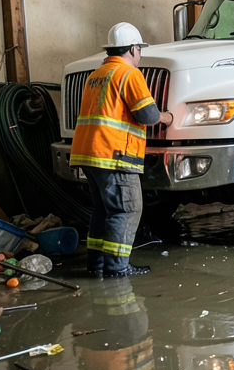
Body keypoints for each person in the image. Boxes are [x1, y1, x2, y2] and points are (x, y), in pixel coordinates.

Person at [70, 22, 173, 277]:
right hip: (114, 154)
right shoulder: (129, 74)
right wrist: (166, 117)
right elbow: (147, 115)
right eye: (140, 50)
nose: (140, 56)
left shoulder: (96, 75)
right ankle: (117, 267)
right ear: (133, 49)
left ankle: (96, 266)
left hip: (89, 153)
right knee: (126, 210)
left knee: (103, 211)